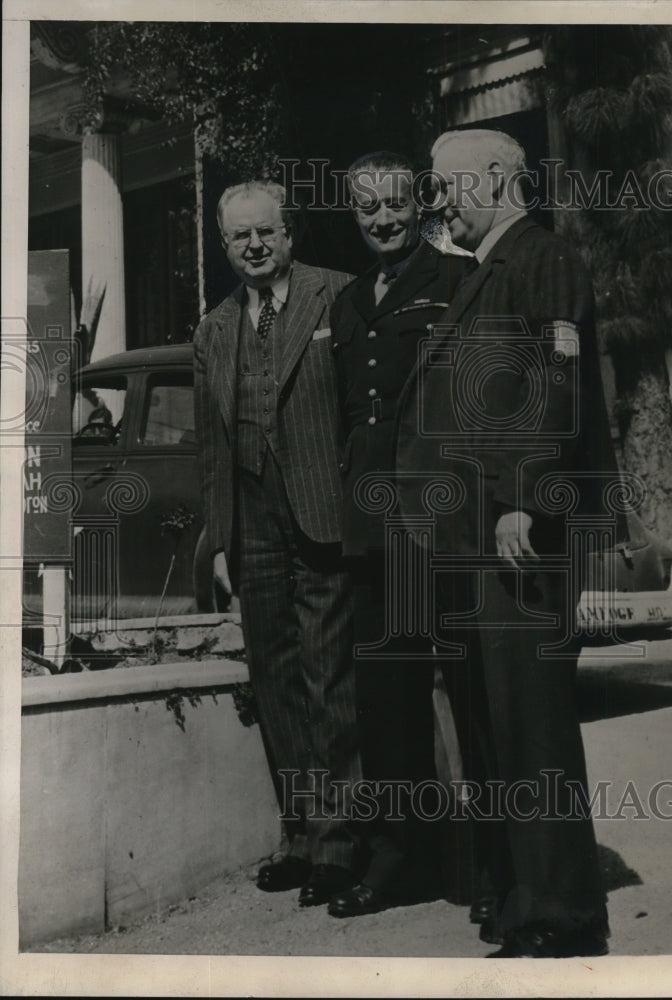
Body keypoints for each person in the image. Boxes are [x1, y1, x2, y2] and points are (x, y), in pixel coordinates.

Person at [395, 129, 625, 957]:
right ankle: (513, 895)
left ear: (495, 178)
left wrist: (524, 498)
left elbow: (554, 385)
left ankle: (562, 911)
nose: (438, 201)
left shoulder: (541, 257)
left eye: (446, 185)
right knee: (492, 726)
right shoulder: (485, 268)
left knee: (532, 730)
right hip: (474, 541)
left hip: (520, 535)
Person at [193, 180, 360, 908]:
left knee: (331, 676)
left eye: (267, 232)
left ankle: (342, 843)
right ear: (225, 245)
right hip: (251, 522)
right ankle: (299, 834)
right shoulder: (214, 328)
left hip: (323, 513)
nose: (255, 246)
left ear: (290, 235)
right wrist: (223, 542)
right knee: (275, 680)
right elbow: (211, 449)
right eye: (240, 237)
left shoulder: (341, 296)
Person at [325, 152, 470, 918]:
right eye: (367, 209)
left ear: (422, 205)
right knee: (386, 702)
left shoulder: (455, 283)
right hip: (373, 531)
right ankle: (397, 857)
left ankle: (485, 861)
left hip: (438, 523)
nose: (382, 220)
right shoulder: (349, 304)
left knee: (469, 692)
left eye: (394, 204)